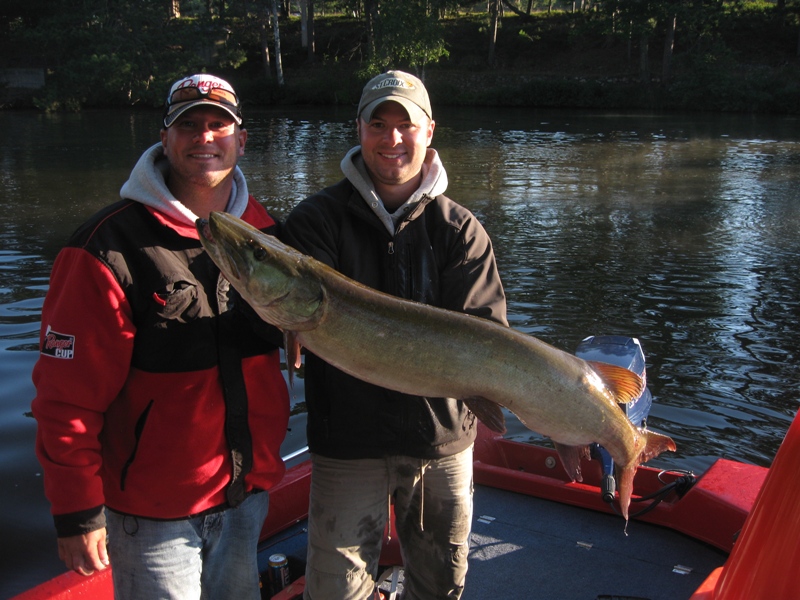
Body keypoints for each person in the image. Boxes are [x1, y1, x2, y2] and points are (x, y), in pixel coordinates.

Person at [31, 74, 290, 600]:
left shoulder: (272, 239)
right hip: (153, 518)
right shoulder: (105, 248)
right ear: (164, 138)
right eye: (188, 125)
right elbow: (65, 397)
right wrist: (77, 511)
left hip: (246, 496)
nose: (204, 138)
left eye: (219, 125)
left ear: (242, 140)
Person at [281, 70, 508, 600]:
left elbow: (487, 337)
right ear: (358, 129)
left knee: (440, 586)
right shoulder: (317, 220)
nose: (392, 138)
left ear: (429, 131)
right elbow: (291, 316)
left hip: (439, 440)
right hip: (348, 441)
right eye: (377, 123)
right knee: (334, 591)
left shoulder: (461, 231)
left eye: (405, 125)